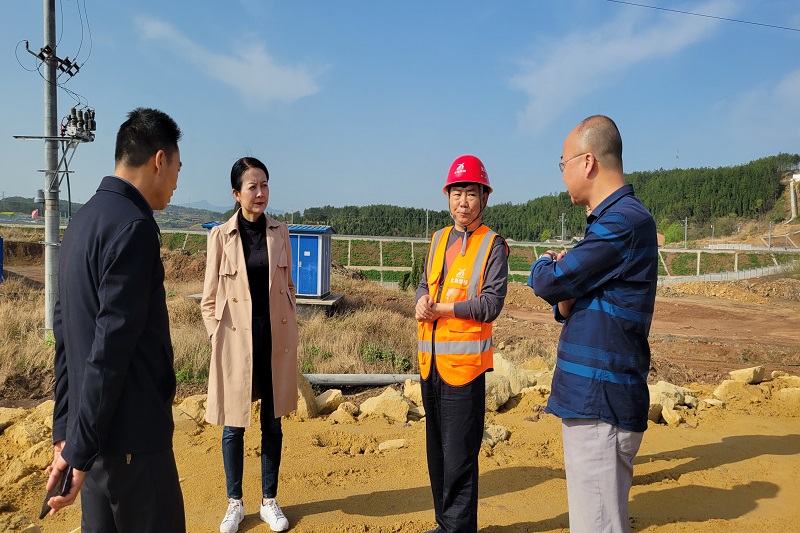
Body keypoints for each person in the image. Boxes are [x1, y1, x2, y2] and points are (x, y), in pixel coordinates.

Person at [47, 107, 186, 532]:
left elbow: (65, 333)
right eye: (178, 167)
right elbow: (111, 348)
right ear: (158, 160)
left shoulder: (83, 221)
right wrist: (79, 445)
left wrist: (68, 435)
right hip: (134, 443)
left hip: (95, 444)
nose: (178, 180)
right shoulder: (134, 227)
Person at [529, 115, 659, 533]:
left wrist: (545, 263)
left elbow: (551, 282)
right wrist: (566, 299)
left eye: (562, 162)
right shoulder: (610, 224)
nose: (562, 172)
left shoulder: (623, 223)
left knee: (596, 525)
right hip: (595, 398)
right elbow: (571, 299)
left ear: (587, 162)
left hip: (600, 401)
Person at [201, 157, 299, 533]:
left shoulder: (281, 232)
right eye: (252, 187)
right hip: (235, 340)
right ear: (236, 193)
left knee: (272, 422)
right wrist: (217, 336)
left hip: (274, 337)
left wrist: (291, 320)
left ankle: (269, 501)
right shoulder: (220, 236)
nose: (260, 193)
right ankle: (235, 502)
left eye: (264, 185)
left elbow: (288, 286)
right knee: (234, 424)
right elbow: (209, 301)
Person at [416, 154, 508, 533]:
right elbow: (425, 284)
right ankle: (444, 523)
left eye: (471, 193)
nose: (463, 202)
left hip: (465, 371)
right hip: (430, 365)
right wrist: (421, 301)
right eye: (457, 193)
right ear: (448, 197)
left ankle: (458, 529)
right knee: (437, 454)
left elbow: (490, 304)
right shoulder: (438, 239)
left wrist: (443, 309)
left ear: (483, 198)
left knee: (459, 458)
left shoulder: (493, 246)